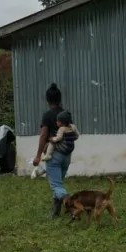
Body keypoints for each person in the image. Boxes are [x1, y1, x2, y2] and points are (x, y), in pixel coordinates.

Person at [32, 83, 75, 217]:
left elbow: (44, 135)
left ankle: (72, 204)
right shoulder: (65, 115)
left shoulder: (47, 115)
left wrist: (38, 156)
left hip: (53, 155)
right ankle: (55, 213)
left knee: (56, 185)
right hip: (66, 155)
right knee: (58, 184)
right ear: (60, 98)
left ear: (47, 99)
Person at [31, 110, 78, 179]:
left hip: (63, 148)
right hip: (70, 148)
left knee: (51, 143)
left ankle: (48, 155)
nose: (56, 122)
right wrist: (72, 138)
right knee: (60, 178)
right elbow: (77, 135)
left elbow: (58, 138)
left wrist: (52, 139)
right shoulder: (73, 127)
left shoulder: (61, 129)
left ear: (63, 123)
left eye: (58, 121)